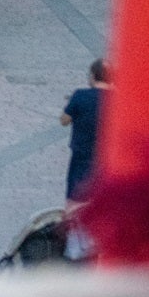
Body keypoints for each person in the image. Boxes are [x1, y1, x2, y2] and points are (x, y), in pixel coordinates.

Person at [60, 58, 111, 200]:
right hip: (108, 157)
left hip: (82, 156)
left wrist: (73, 105)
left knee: (76, 199)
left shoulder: (80, 96)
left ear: (93, 76)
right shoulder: (120, 100)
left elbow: (64, 120)